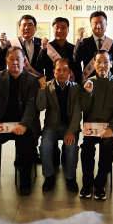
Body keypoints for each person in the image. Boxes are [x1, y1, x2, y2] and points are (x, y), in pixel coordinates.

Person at [0, 47, 40, 195]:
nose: (15, 62)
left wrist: (23, 125)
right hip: (2, 122)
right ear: (6, 60)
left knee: (26, 141)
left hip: (23, 123)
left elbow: (31, 105)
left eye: (18, 59)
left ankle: (25, 181)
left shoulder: (33, 80)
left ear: (24, 61)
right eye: (11, 59)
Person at [79, 50, 113, 200]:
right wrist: (88, 93)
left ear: (111, 64)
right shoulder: (88, 82)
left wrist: (111, 128)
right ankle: (87, 183)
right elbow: (84, 109)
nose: (102, 65)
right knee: (86, 147)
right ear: (94, 64)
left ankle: (100, 183)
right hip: (92, 127)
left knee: (107, 146)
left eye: (106, 62)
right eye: (99, 62)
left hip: (111, 127)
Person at [36, 58, 82, 192]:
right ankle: (49, 176)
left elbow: (77, 113)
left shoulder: (76, 88)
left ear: (70, 72)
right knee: (44, 146)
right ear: (53, 72)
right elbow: (40, 107)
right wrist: (41, 89)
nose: (61, 73)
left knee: (72, 148)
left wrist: (71, 131)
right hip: (51, 126)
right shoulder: (47, 86)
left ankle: (71, 178)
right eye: (58, 70)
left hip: (69, 126)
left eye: (64, 70)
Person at [74, 11, 113, 80]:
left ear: (106, 24)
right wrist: (80, 39)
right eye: (95, 23)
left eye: (101, 23)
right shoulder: (84, 42)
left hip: (109, 81)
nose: (98, 26)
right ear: (91, 25)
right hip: (90, 81)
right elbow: (76, 59)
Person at [37, 17, 82, 83]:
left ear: (68, 30)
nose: (59, 30)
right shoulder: (47, 47)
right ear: (53, 29)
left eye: (63, 28)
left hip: (71, 86)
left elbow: (78, 70)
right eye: (56, 27)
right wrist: (43, 49)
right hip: (51, 85)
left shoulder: (73, 48)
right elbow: (40, 66)